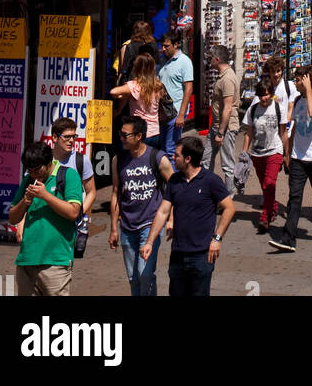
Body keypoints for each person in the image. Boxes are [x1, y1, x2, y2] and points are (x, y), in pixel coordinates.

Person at [140, 133, 234, 294]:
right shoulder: (174, 181)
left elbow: (229, 208)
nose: (172, 157)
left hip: (202, 255)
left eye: (176, 155)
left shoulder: (210, 180)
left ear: (188, 159)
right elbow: (163, 211)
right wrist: (149, 242)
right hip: (178, 254)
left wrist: (217, 239)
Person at [269, 66, 312, 250]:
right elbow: (294, 128)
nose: (295, 83)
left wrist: (310, 91)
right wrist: (288, 153)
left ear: (307, 81)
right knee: (294, 197)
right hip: (298, 157)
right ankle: (289, 238)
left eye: (298, 80)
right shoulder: (297, 101)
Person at [109, 115, 173, 295]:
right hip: (127, 226)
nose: (121, 138)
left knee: (144, 273)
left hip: (150, 224)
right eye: (120, 134)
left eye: (125, 135)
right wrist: (114, 228)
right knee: (132, 276)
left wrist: (171, 219)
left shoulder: (158, 157)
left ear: (139, 136)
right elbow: (115, 193)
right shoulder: (118, 160)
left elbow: (175, 188)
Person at [8, 140, 82, 296]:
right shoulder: (28, 180)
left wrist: (45, 195)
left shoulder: (68, 175)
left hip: (55, 262)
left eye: (37, 169)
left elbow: (73, 212)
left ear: (49, 162)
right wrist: (25, 202)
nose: (34, 174)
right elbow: (13, 217)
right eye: (30, 170)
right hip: (27, 261)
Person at [239, 75, 287, 232]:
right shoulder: (253, 109)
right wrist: (244, 153)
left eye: (266, 94)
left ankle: (265, 217)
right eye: (261, 95)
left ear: (271, 94)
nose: (264, 98)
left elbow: (283, 132)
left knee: (269, 183)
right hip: (257, 153)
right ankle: (272, 207)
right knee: (264, 185)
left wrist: (286, 154)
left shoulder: (278, 108)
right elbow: (248, 132)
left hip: (275, 150)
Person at [49, 117, 96, 253]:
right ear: (54, 137)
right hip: (48, 222)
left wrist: (78, 214)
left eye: (73, 137)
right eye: (67, 137)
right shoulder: (44, 159)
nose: (71, 141)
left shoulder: (81, 160)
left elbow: (91, 192)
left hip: (71, 226)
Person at [203, 44, 240, 192]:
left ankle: (228, 198)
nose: (209, 61)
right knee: (206, 160)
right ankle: (205, 193)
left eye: (210, 58)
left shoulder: (228, 78)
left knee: (227, 165)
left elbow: (228, 107)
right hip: (217, 126)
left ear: (217, 59)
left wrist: (221, 132)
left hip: (226, 128)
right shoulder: (223, 77)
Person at [111, 52, 167, 148]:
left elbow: (113, 92)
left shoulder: (134, 86)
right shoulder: (158, 86)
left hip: (138, 133)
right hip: (154, 132)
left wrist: (122, 96)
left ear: (137, 68)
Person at [159, 32, 194, 157]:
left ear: (176, 45)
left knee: (171, 149)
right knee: (162, 148)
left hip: (176, 111)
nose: (163, 49)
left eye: (166, 46)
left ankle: (173, 175)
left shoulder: (184, 61)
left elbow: (188, 89)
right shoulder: (162, 60)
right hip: (162, 113)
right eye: (162, 46)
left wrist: (181, 114)